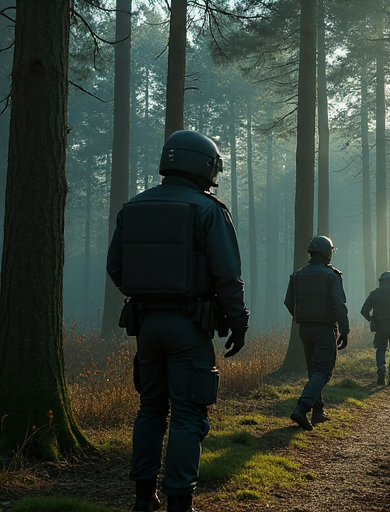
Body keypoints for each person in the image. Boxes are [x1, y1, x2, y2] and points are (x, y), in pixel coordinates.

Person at [107, 130, 249, 512]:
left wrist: (149, 295)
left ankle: (142, 498)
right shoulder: (209, 210)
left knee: (150, 409)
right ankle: (180, 503)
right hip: (189, 328)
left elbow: (116, 267)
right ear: (205, 165)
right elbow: (227, 275)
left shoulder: (133, 206)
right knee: (188, 414)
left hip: (147, 326)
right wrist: (239, 322)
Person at [283, 235, 349, 431]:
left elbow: (288, 302)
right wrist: (344, 330)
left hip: (304, 329)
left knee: (313, 371)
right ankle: (302, 409)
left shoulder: (297, 275)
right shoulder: (332, 275)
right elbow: (339, 305)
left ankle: (318, 411)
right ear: (328, 253)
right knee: (323, 370)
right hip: (324, 329)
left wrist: (302, 316)